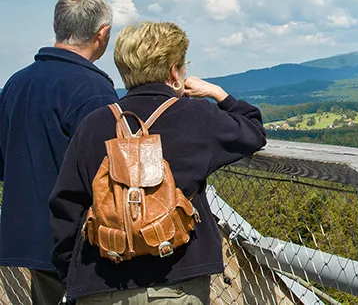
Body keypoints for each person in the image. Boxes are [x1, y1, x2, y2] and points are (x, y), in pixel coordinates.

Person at [50, 21, 267, 304]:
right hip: (176, 281)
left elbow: (65, 206)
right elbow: (253, 131)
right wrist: (216, 93)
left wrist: (72, 273)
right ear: (173, 72)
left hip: (102, 281)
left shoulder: (94, 124)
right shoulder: (196, 116)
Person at [0, 0, 118, 304]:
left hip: (34, 237)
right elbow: (111, 176)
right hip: (84, 242)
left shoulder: (16, 83)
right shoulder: (94, 90)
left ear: (57, 27)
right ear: (102, 34)